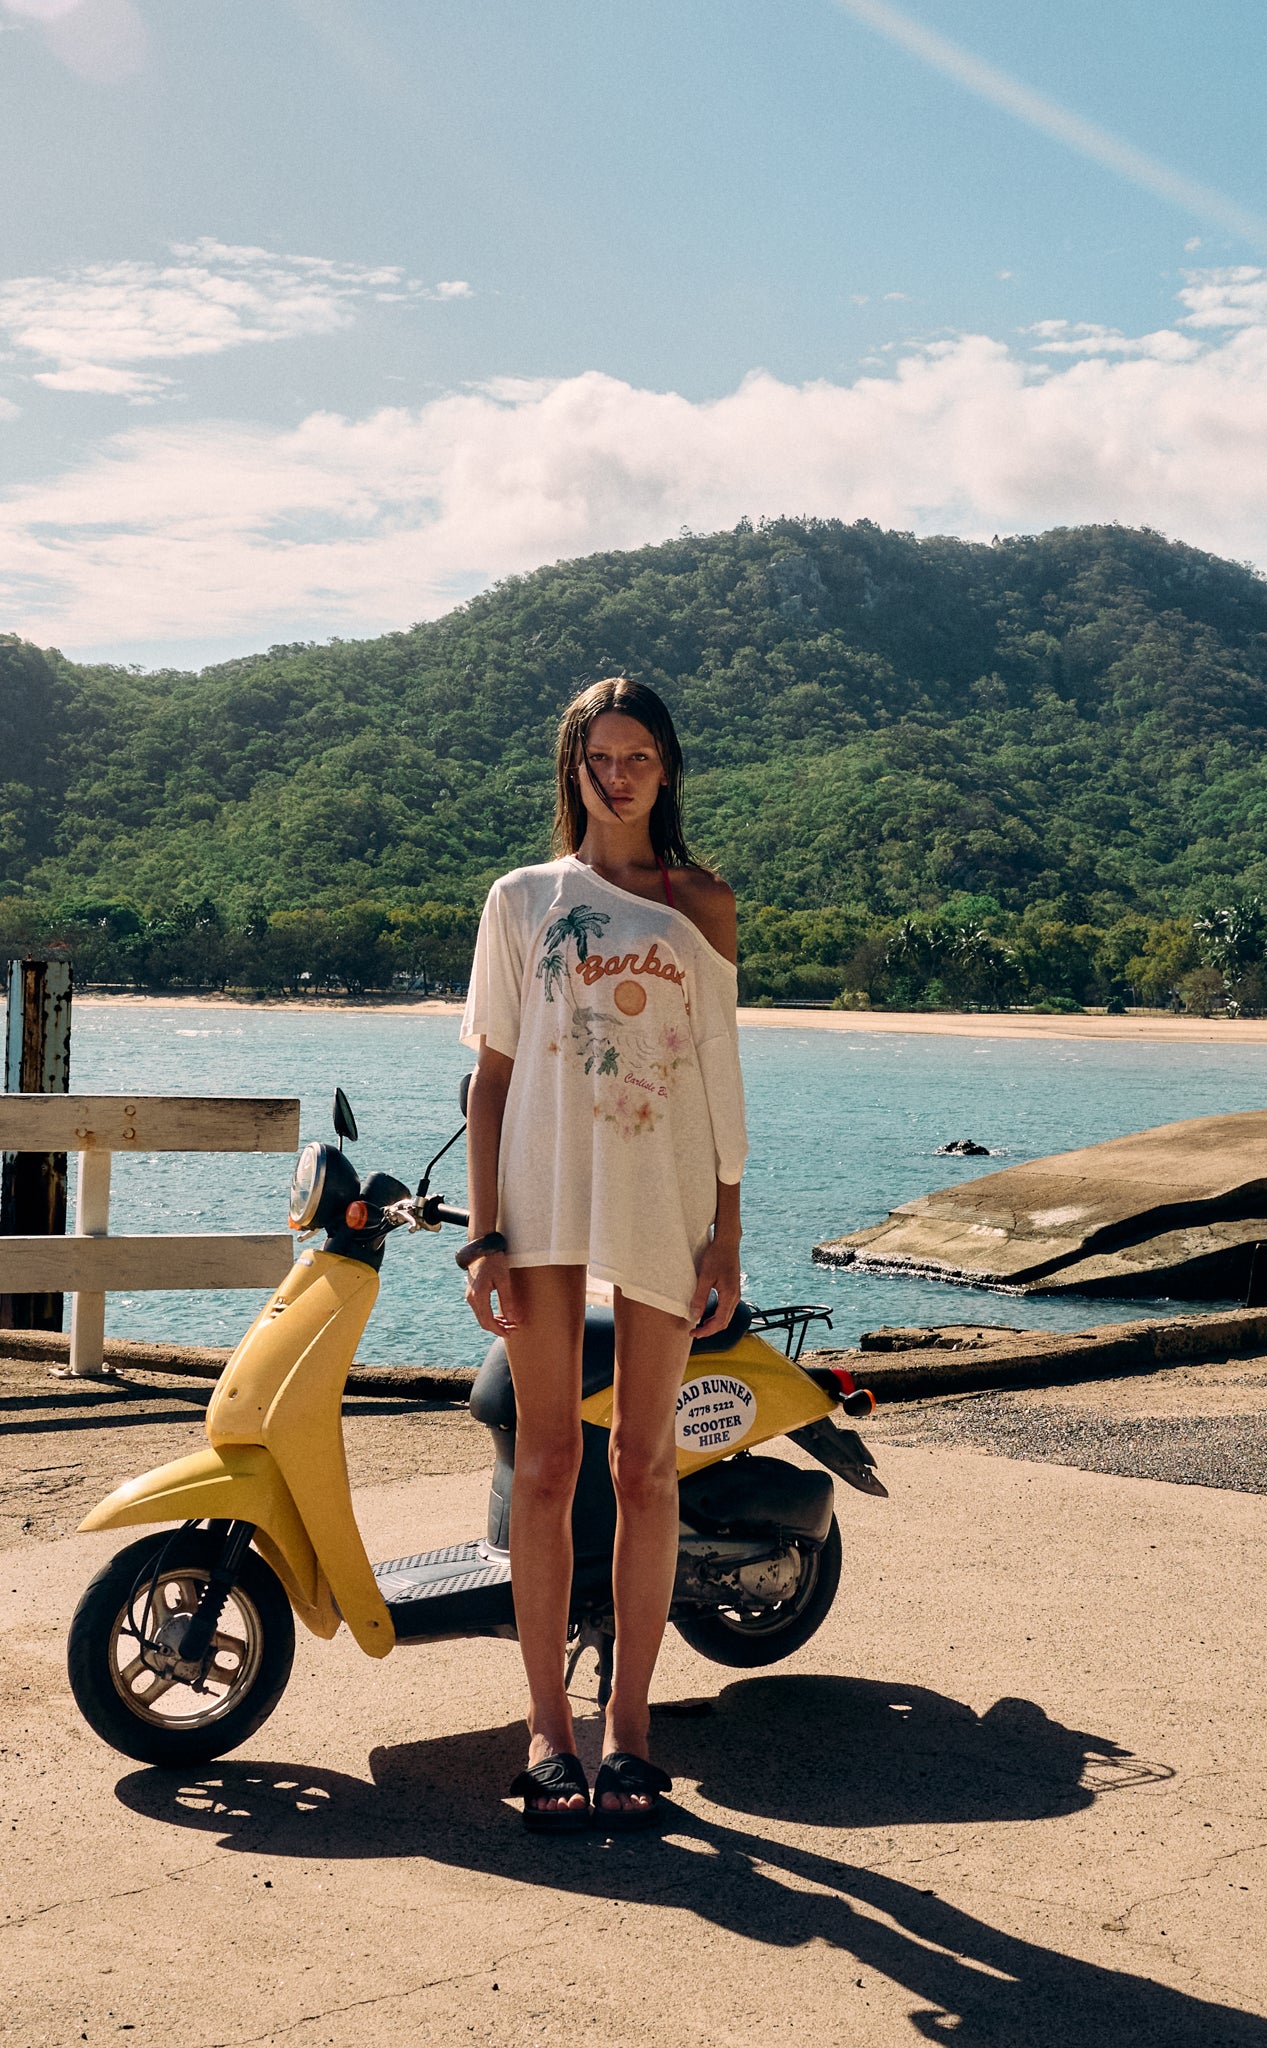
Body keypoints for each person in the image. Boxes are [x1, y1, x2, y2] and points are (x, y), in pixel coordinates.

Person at [456, 676, 747, 1832]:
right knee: (544, 1463)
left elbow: (718, 1072)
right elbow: (491, 1078)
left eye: (639, 757)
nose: (618, 776)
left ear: (666, 768)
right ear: (571, 767)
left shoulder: (701, 901)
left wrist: (729, 1227)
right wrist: (482, 1229)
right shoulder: (523, 900)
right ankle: (547, 1730)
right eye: (599, 757)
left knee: (643, 1463)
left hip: (663, 1191)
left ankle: (630, 1725)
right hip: (540, 1196)